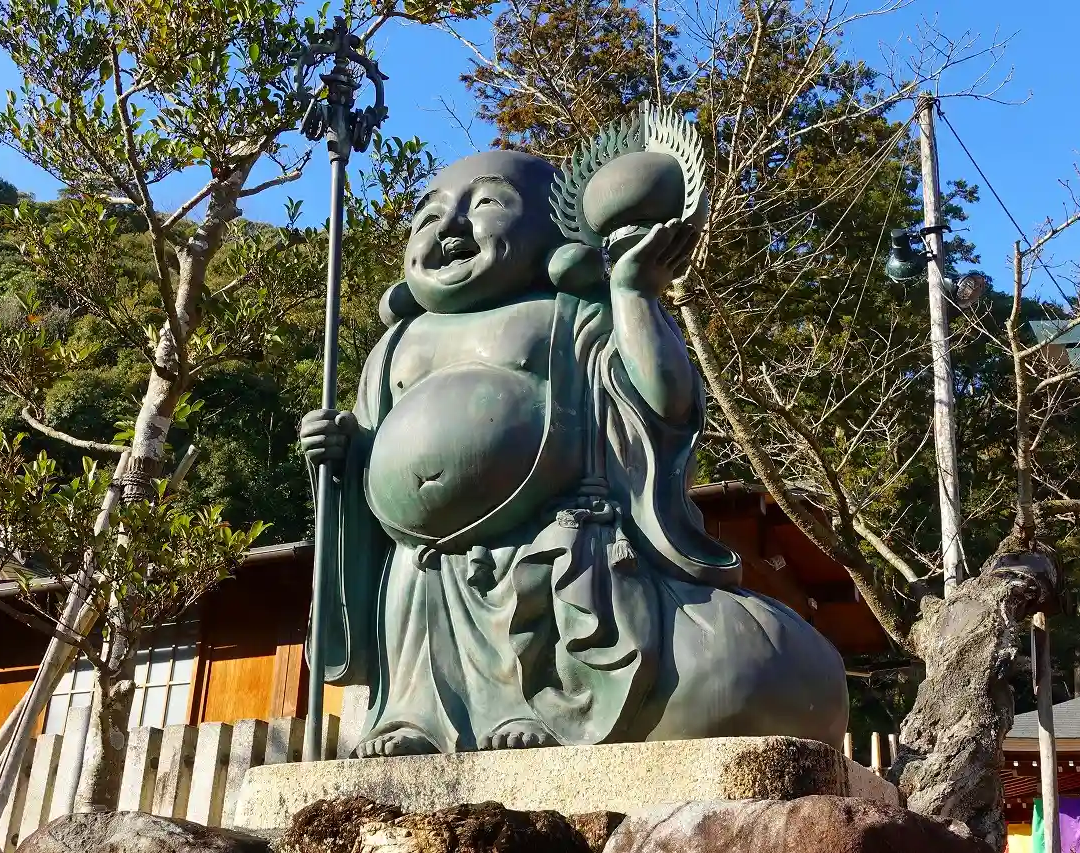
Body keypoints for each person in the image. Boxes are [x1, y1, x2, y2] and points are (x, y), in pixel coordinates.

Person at [300, 149, 847, 757]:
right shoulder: (395, 346)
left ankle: (545, 703)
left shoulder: (574, 313)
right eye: (429, 216)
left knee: (737, 667)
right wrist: (341, 455)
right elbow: (370, 456)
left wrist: (633, 294)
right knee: (415, 588)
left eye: (486, 204)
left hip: (551, 541)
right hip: (422, 562)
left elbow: (665, 405)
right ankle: (416, 718)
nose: (451, 227)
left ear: (551, 231)